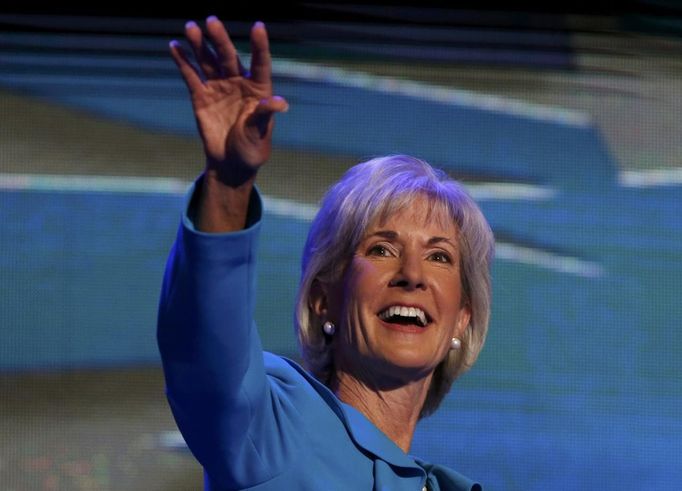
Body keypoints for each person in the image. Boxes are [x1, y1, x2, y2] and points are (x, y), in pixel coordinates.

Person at [157, 16, 494, 491]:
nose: (412, 276)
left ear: (463, 319)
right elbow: (206, 351)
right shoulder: (274, 427)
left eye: (439, 256)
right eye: (381, 248)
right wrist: (229, 184)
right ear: (323, 299)